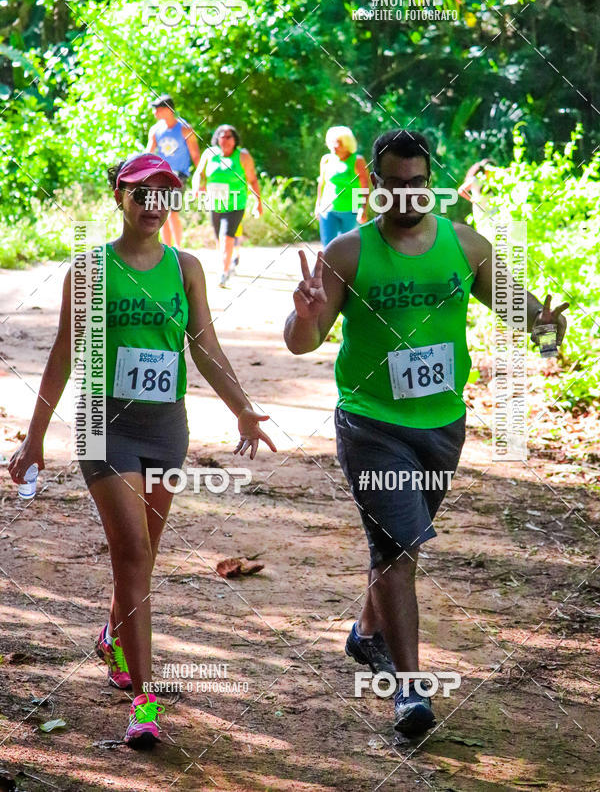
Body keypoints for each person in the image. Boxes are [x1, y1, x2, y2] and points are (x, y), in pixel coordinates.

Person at [284, 129, 568, 737]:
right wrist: (304, 316)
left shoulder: (466, 246)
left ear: (431, 182)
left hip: (441, 425)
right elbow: (302, 342)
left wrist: (548, 330)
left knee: (401, 545)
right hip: (370, 421)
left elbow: (525, 319)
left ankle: (366, 634)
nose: (408, 196)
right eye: (395, 184)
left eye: (419, 184)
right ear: (374, 184)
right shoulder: (348, 253)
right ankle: (410, 691)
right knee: (397, 548)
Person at [9, 152, 276, 749]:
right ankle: (145, 703)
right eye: (142, 193)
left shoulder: (186, 268)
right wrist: (35, 436)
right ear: (120, 197)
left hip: (165, 427)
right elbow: (63, 353)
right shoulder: (90, 268)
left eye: (165, 193)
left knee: (142, 559)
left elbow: (204, 345)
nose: (154, 204)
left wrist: (240, 406)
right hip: (104, 425)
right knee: (132, 554)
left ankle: (113, 637)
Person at [192, 124, 263, 288]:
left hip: (235, 204)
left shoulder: (243, 157)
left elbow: (252, 180)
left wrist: (258, 202)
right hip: (215, 203)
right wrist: (197, 187)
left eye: (229, 137)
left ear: (235, 139)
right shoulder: (210, 154)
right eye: (222, 136)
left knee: (226, 237)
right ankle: (228, 260)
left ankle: (223, 273)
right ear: (217, 139)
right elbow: (199, 173)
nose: (225, 140)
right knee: (219, 238)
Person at [148, 94, 200, 248]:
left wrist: (201, 178)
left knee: (172, 212)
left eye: (158, 109)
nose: (155, 113)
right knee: (162, 212)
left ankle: (177, 247)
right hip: (162, 176)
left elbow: (196, 155)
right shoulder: (155, 130)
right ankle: (167, 248)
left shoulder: (184, 129)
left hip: (179, 175)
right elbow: (149, 154)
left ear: (168, 110)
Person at [314, 126, 371, 246]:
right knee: (328, 247)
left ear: (347, 144)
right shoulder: (326, 160)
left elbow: (365, 186)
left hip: (351, 210)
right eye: (332, 142)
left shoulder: (358, 161)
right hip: (328, 209)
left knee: (347, 247)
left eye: (338, 143)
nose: (334, 146)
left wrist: (362, 208)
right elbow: (322, 183)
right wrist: (317, 205)